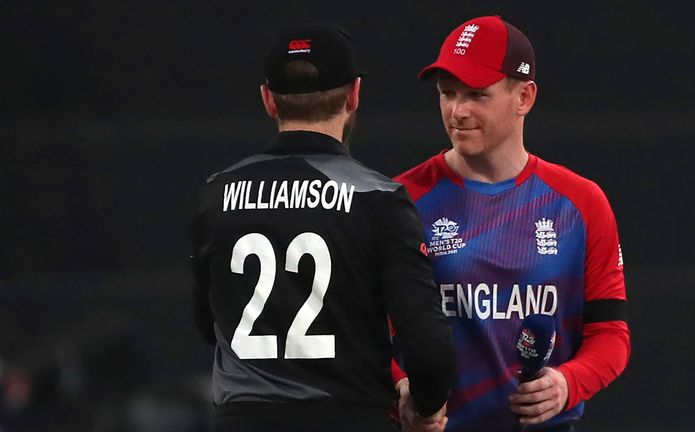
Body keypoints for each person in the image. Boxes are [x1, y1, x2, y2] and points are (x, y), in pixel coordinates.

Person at [190, 21, 456, 432]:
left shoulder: (215, 195)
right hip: (351, 417)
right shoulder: (379, 200)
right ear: (354, 94)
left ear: (268, 100)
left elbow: (208, 324)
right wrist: (424, 407)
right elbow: (429, 346)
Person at [393, 15, 630, 432]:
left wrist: (566, 383)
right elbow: (366, 331)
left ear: (524, 97)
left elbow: (610, 334)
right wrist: (400, 388)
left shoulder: (581, 203)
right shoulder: (400, 201)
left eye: (476, 95)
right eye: (447, 94)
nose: (458, 111)